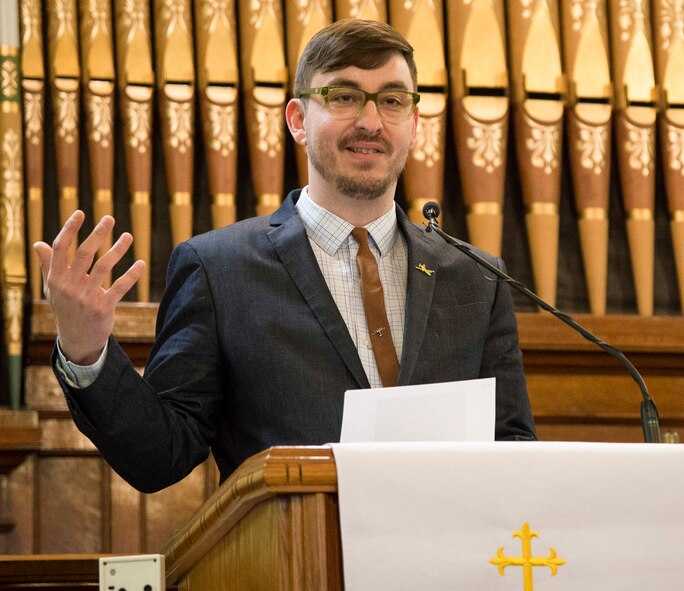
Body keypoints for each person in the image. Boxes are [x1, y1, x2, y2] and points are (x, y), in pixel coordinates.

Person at [34, 19, 536, 494]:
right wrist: (86, 351)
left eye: (391, 101)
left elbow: (513, 447)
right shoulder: (219, 271)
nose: (371, 122)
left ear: (414, 122)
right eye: (344, 97)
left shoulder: (476, 277)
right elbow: (159, 457)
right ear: (297, 120)